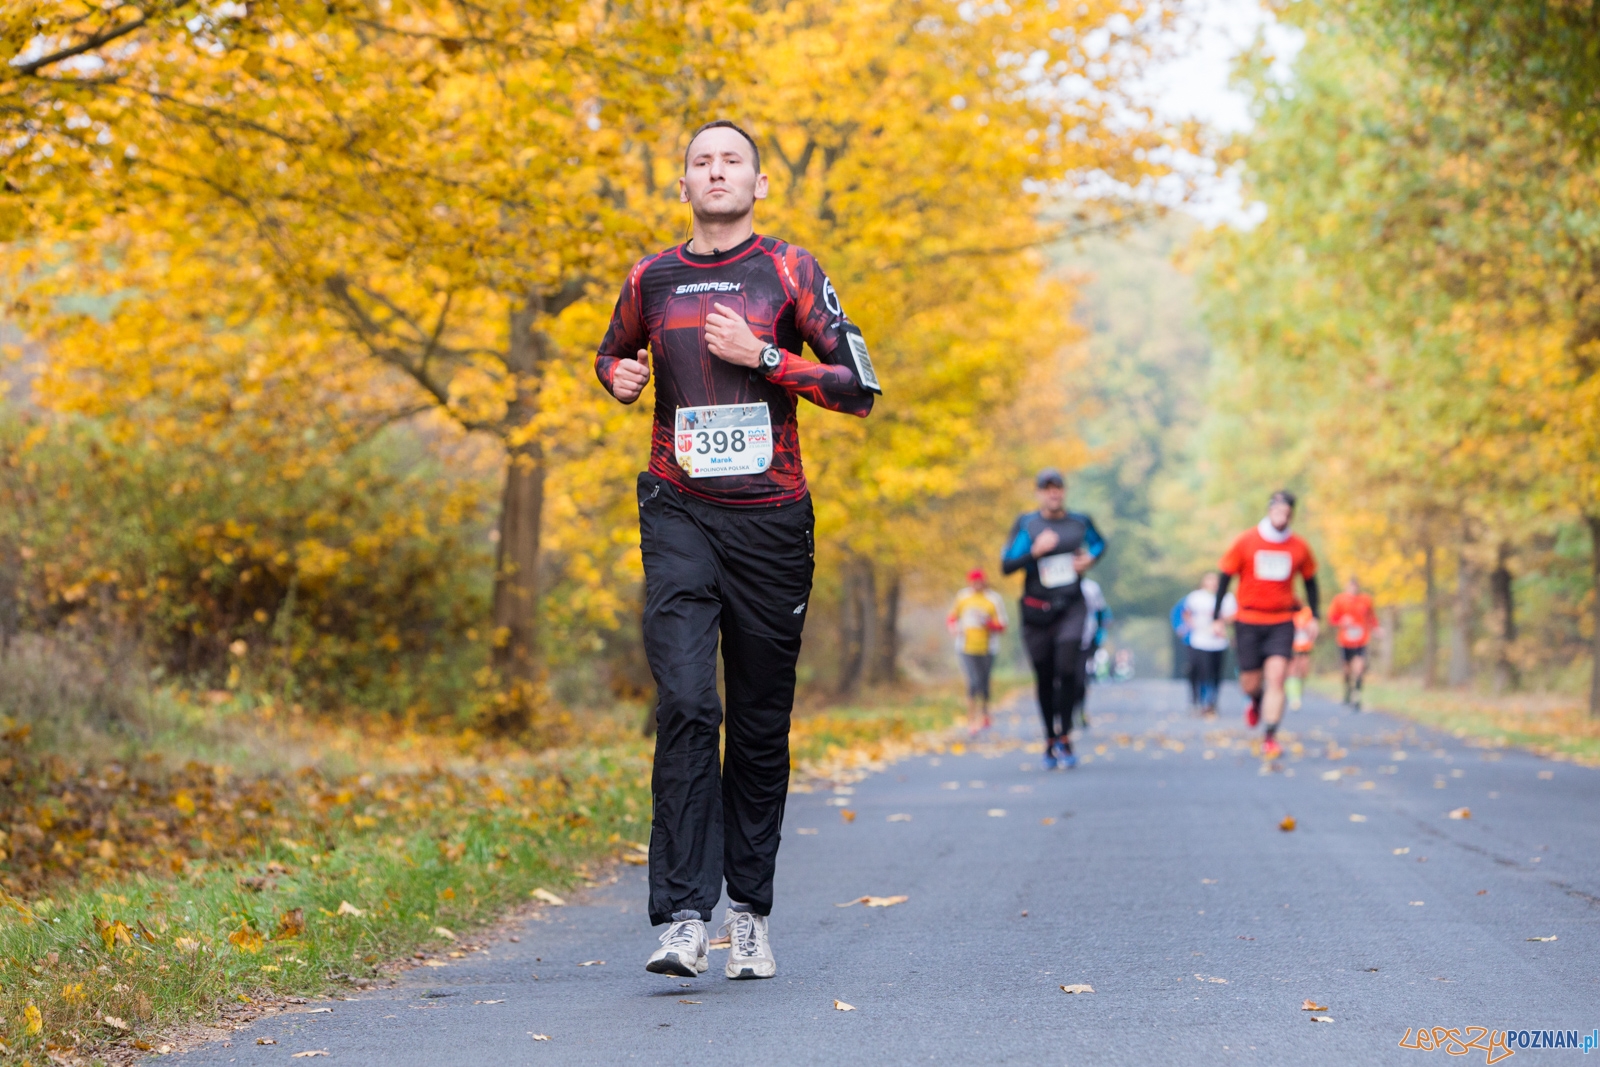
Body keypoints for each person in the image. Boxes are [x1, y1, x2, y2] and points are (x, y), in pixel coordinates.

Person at [594, 120, 880, 981]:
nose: (715, 172)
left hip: (772, 520)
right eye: (700, 162)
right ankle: (684, 916)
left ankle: (748, 911)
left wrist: (762, 355)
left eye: (732, 161)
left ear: (758, 185)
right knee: (687, 702)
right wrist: (616, 375)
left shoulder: (790, 270)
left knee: (758, 719)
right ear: (682, 184)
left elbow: (857, 388)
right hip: (677, 507)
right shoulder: (651, 278)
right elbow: (611, 353)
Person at [1001, 468, 1105, 770]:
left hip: (1071, 607)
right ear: (1039, 494)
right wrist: (1035, 552)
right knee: (1045, 676)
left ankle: (1066, 735)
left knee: (1067, 669)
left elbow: (1100, 543)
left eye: (1057, 487)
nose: (1053, 492)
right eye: (1047, 488)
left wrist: (1090, 558)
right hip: (1036, 611)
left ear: (1064, 491)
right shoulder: (1027, 524)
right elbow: (1007, 565)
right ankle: (1050, 737)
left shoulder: (1079, 522)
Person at [1214, 490, 1319, 760]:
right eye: (1277, 510)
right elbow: (1225, 576)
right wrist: (1217, 616)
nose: (1281, 515)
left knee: (1277, 677)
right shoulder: (1246, 541)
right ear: (1270, 510)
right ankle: (1255, 700)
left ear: (1291, 515)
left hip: (1281, 620)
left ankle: (1270, 737)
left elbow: (1310, 582)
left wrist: (1314, 617)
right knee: (1250, 682)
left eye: (1286, 512)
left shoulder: (1299, 546)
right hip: (1248, 619)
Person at [947, 569, 1007, 735]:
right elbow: (952, 617)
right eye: (974, 582)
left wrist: (988, 624)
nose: (977, 585)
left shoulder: (993, 599)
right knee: (973, 683)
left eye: (980, 582)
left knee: (984, 682)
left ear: (984, 582)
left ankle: (985, 712)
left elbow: (1002, 625)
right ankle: (972, 719)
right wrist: (954, 628)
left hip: (988, 647)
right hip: (965, 647)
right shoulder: (962, 597)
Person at [1182, 572, 1235, 718]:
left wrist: (1222, 621)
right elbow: (1186, 613)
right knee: (1200, 671)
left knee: (1215, 673)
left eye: (1215, 580)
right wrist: (1192, 625)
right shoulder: (1196, 597)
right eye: (1209, 580)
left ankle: (1212, 702)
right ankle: (1199, 701)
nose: (1212, 583)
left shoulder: (1227, 598)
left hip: (1218, 642)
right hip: (1200, 641)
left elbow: (1233, 616)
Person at [1328, 576, 1380, 710]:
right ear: (1346, 587)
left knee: (1359, 668)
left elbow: (1371, 617)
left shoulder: (1366, 600)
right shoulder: (1339, 600)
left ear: (1358, 587)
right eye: (1351, 586)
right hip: (1344, 641)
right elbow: (1332, 618)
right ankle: (1347, 691)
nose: (1353, 589)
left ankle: (1356, 696)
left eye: (1355, 586)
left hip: (1361, 640)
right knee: (1346, 670)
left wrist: (1376, 628)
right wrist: (1342, 621)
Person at [1075, 576, 1110, 729]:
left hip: (1086, 640)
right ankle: (1065, 712)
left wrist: (1098, 638)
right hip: (1061, 640)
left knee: (1081, 678)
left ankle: (1080, 710)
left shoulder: (1091, 587)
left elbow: (1101, 614)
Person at [1286, 602, 1315, 711]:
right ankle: (1293, 698)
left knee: (1303, 671)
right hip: (1292, 646)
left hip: (1305, 646)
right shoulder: (1288, 611)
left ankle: (1297, 692)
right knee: (1293, 670)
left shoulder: (1308, 612)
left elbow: (1313, 628)